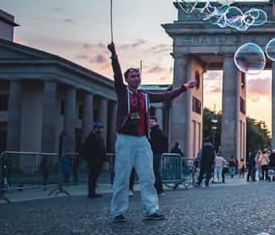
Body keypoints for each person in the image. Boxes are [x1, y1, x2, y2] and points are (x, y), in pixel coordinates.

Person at [107, 42, 197, 222]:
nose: (136, 78)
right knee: (122, 177)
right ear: (127, 79)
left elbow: (166, 96)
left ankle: (151, 210)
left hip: (142, 139)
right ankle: (118, 211)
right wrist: (114, 55)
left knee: (148, 176)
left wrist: (184, 87)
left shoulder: (145, 95)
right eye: (133, 75)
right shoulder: (123, 92)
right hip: (125, 138)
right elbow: (117, 74)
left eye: (138, 75)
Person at [80, 122, 106, 198]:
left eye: (101, 128)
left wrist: (105, 159)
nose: (101, 130)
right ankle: (91, 193)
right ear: (95, 129)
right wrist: (92, 158)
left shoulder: (100, 137)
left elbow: (103, 149)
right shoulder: (90, 138)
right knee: (92, 176)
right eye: (99, 128)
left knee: (95, 176)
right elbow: (87, 149)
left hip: (99, 160)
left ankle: (93, 192)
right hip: (93, 160)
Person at [149, 117, 168, 196]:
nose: (151, 123)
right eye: (149, 121)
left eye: (153, 121)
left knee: (155, 171)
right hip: (154, 153)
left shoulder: (157, 131)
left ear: (156, 122)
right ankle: (157, 189)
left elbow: (164, 142)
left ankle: (159, 189)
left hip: (156, 153)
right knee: (154, 171)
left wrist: (161, 151)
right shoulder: (152, 131)